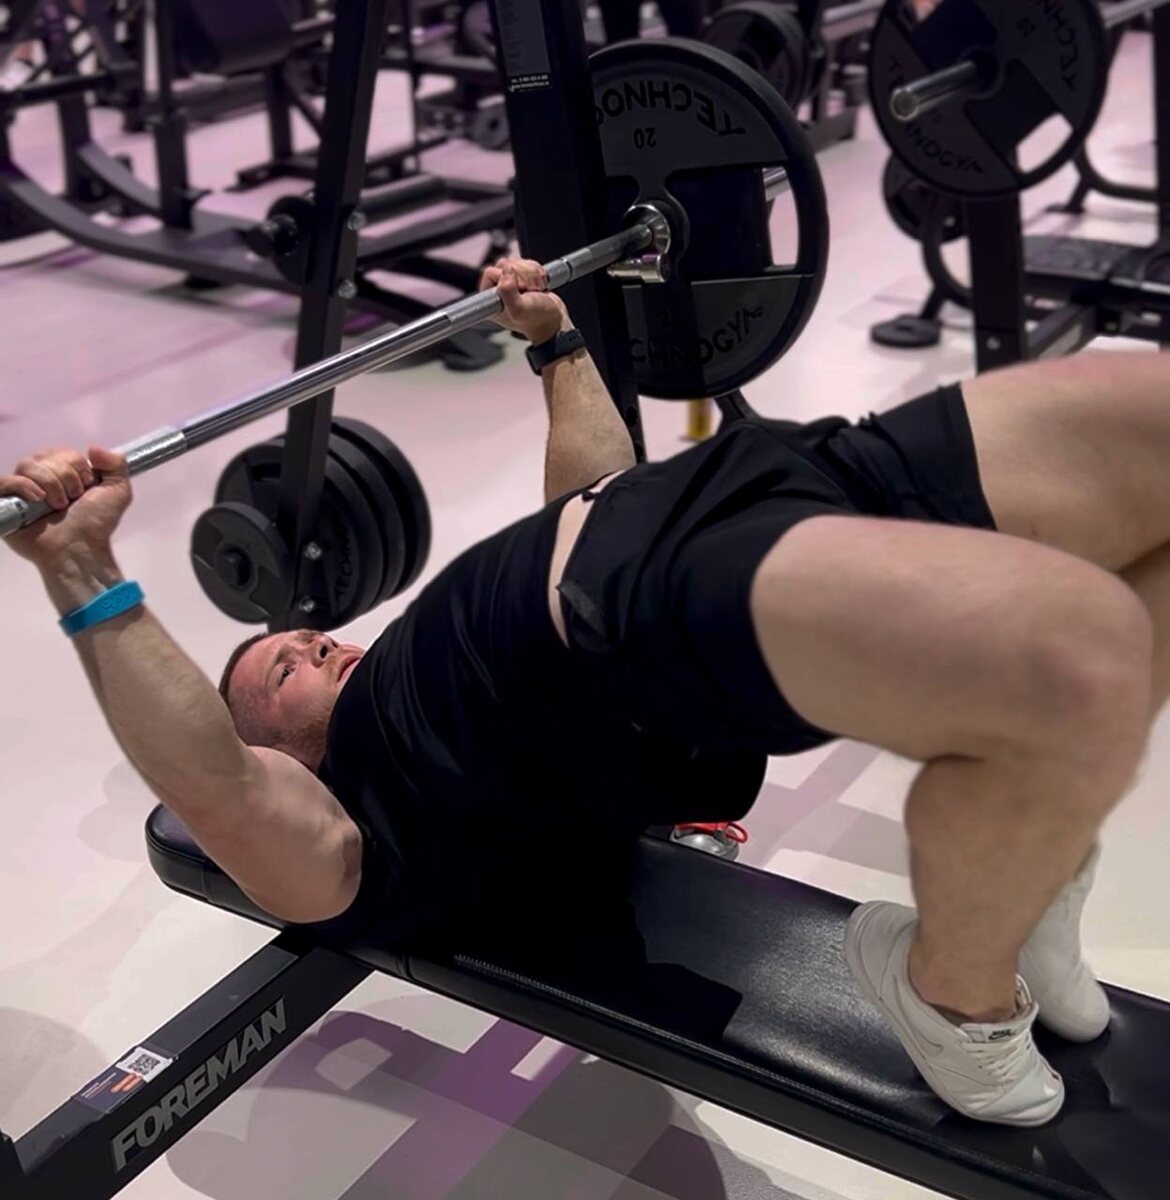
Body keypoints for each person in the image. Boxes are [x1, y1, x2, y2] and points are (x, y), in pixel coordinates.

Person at [3, 259, 1161, 1130]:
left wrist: (554, 342)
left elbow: (585, 497)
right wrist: (84, 571)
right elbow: (214, 784)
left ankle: (1028, 883)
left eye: (308, 634)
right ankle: (951, 988)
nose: (314, 642)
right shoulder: (354, 843)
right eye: (283, 669)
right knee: (1084, 659)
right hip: (633, 612)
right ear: (284, 758)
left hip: (725, 489)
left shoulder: (416, 655)